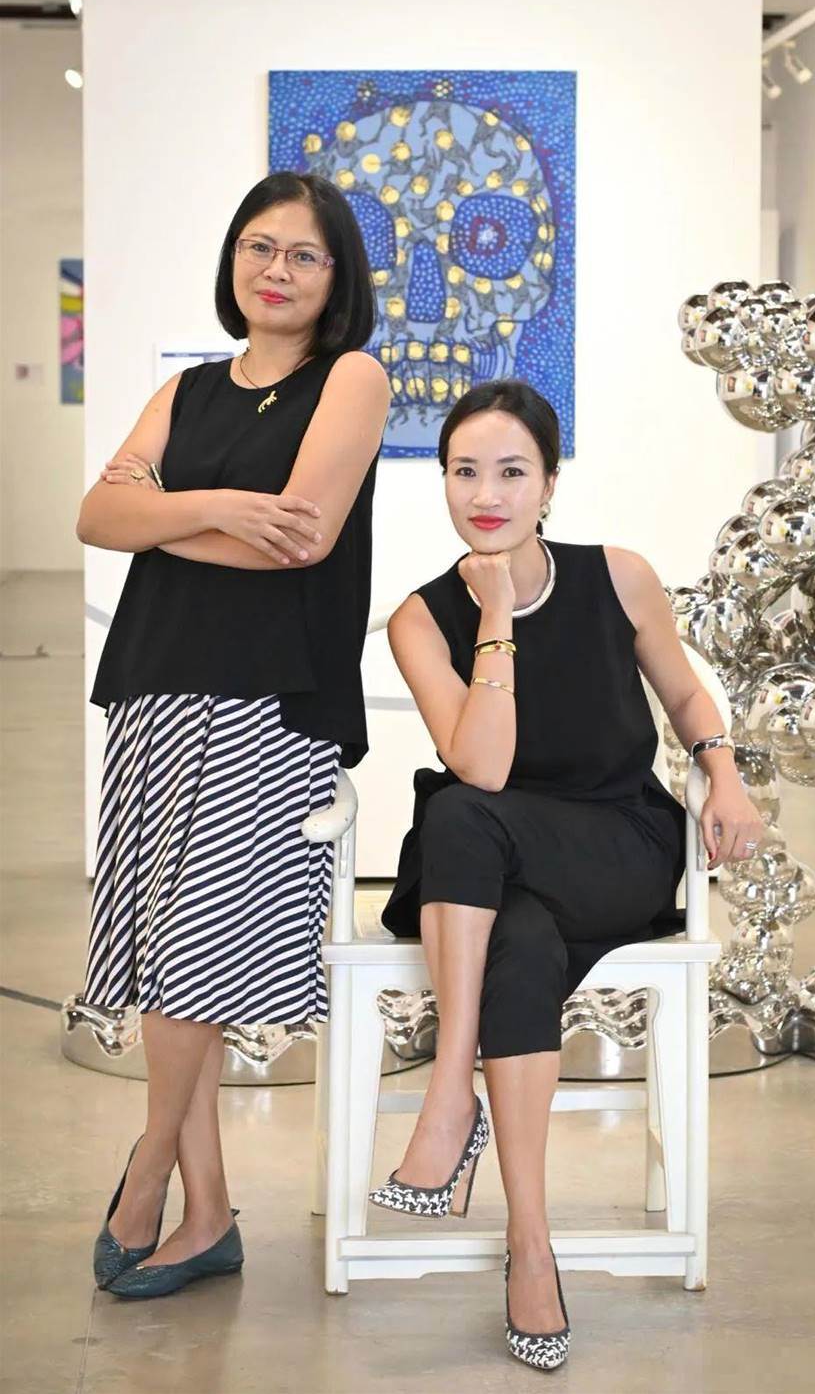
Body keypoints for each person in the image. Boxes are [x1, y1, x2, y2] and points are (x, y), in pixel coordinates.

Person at [371, 380, 764, 1369]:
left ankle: (450, 1093)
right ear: (441, 479)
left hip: (616, 844)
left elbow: (685, 695)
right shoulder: (419, 619)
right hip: (496, 878)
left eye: (513, 471)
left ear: (550, 482)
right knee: (515, 929)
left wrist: (724, 773)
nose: (487, 494)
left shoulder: (618, 576)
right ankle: (531, 1246)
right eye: (465, 471)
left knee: (460, 815)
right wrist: (493, 613)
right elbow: (486, 762)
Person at [77, 170, 390, 1300]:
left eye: (304, 254)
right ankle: (208, 1214)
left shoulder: (352, 378)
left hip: (270, 697)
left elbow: (299, 540)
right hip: (158, 688)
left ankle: (150, 1170)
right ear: (233, 259)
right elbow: (95, 515)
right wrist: (213, 508)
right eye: (259, 246)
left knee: (197, 945)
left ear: (336, 276)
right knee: (171, 954)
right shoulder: (189, 390)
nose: (276, 269)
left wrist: (157, 515)